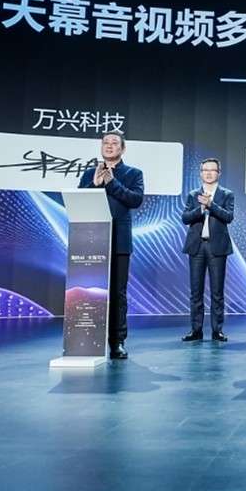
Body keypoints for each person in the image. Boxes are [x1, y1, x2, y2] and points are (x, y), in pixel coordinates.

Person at [77, 132, 145, 360]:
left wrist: (111, 183)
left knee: (117, 293)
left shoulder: (133, 173)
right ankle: (86, 339)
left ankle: (117, 341)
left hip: (119, 240)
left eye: (114, 143)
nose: (109, 146)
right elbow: (79, 201)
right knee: (89, 291)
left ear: (122, 149)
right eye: (105, 142)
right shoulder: (89, 173)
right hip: (90, 240)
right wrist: (95, 185)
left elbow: (135, 200)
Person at [180, 158, 234, 343]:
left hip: (217, 246)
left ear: (219, 173)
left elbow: (228, 217)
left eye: (213, 170)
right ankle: (196, 330)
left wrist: (211, 205)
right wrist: (201, 209)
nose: (209, 173)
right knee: (196, 291)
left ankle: (217, 330)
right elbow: (185, 218)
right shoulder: (193, 194)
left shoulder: (226, 194)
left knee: (217, 292)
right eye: (205, 170)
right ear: (201, 173)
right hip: (197, 246)